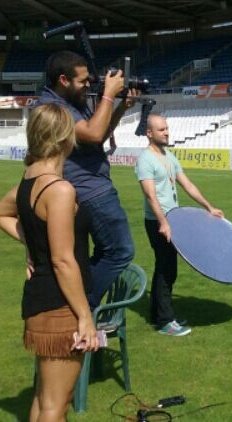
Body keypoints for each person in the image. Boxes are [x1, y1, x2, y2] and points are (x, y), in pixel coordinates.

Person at [0, 104, 99, 420]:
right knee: (57, 404)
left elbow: (3, 212)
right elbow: (62, 261)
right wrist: (85, 317)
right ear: (65, 138)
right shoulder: (59, 189)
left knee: (45, 400)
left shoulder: (29, 179)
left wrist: (31, 242)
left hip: (40, 302)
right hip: (60, 307)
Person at [36, 50, 139, 308]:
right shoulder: (53, 108)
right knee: (120, 251)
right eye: (82, 81)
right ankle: (84, 306)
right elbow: (93, 135)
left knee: (104, 252)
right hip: (89, 188)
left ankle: (80, 300)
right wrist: (107, 94)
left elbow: (98, 137)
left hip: (91, 184)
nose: (86, 86)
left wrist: (119, 108)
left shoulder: (70, 103)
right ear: (63, 80)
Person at [135, 114, 224, 336]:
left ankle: (159, 314)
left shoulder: (169, 156)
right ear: (149, 133)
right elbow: (150, 196)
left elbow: (187, 185)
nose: (166, 132)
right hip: (158, 222)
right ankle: (165, 321)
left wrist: (208, 207)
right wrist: (163, 223)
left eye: (167, 128)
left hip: (172, 220)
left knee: (166, 269)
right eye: (161, 129)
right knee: (166, 270)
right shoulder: (145, 160)